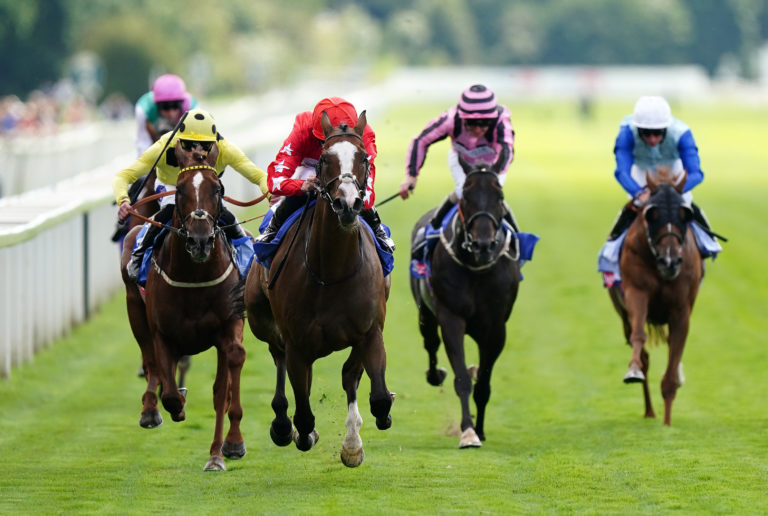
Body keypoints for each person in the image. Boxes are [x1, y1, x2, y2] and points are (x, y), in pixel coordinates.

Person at [114, 108, 269, 281]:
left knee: (224, 213)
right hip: (171, 185)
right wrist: (123, 199)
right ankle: (139, 254)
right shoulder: (165, 146)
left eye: (205, 146)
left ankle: (247, 260)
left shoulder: (225, 148)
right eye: (188, 145)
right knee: (170, 208)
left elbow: (260, 176)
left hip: (205, 186)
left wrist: (271, 195)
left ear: (214, 143)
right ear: (179, 140)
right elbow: (123, 176)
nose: (197, 151)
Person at [256, 96, 395, 253]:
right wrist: (301, 185)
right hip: (311, 170)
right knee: (303, 180)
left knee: (356, 189)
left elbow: (368, 194)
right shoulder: (303, 129)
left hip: (347, 172)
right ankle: (273, 228)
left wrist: (356, 199)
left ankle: (377, 229)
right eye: (325, 141)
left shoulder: (363, 134)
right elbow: (275, 182)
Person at [398, 84, 518, 230]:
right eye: (472, 123)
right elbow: (421, 140)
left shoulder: (501, 121)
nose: (478, 129)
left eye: (484, 123)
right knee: (463, 190)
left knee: (490, 192)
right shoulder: (450, 119)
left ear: (492, 118)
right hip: (462, 160)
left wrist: (492, 176)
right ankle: (434, 226)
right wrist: (411, 176)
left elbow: (507, 151)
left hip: (493, 163)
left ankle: (516, 235)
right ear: (462, 118)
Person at [605, 95, 712, 241]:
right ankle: (612, 243)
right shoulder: (627, 132)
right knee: (634, 206)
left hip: (672, 170)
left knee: (686, 202)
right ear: (638, 129)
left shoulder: (682, 133)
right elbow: (622, 172)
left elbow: (696, 173)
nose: (652, 139)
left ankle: (709, 241)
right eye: (646, 133)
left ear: (666, 129)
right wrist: (638, 192)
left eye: (657, 133)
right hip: (642, 170)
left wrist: (675, 190)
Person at [134, 74, 197, 156]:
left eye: (175, 105)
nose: (171, 113)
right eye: (165, 107)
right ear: (156, 104)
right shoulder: (144, 109)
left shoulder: (192, 108)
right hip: (154, 137)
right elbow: (143, 144)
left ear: (182, 102)